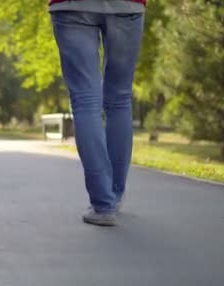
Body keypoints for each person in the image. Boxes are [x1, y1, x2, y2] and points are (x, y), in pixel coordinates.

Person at [49, 0, 146, 226]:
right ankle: (115, 195)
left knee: (85, 100)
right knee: (120, 99)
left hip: (71, 6)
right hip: (127, 6)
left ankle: (103, 205)